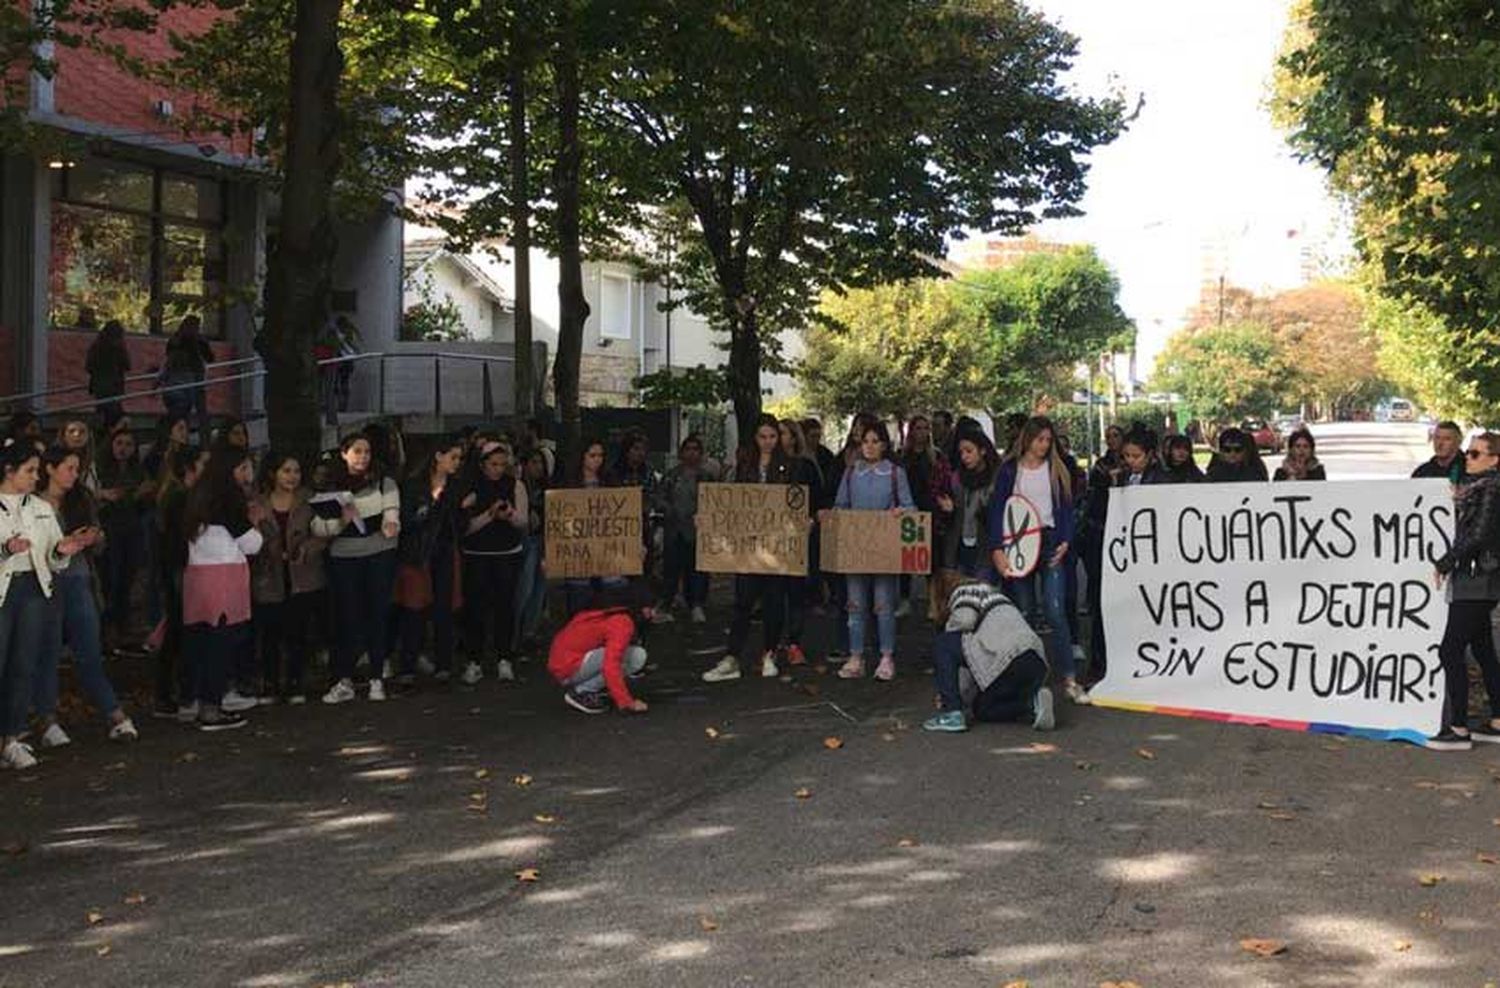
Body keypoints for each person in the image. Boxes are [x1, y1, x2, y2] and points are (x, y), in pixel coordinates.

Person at [32, 445, 135, 747]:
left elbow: (99, 544)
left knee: (89, 652)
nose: (74, 475)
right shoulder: (34, 504)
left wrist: (95, 538)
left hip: (78, 580)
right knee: (48, 654)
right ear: (50, 468)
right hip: (47, 584)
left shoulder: (80, 500)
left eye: (77, 469)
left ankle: (113, 713)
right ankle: (47, 719)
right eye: (69, 468)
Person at [0, 441, 90, 769]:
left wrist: (63, 549)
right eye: (30, 471)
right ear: (9, 471)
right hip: (4, 589)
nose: (36, 477)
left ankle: (11, 736)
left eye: (37, 470)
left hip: (33, 589)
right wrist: (7, 549)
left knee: (23, 664)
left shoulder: (40, 508)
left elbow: (52, 554)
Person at [989, 416, 1085, 702]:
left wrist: (1066, 539)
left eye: (1048, 440)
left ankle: (1069, 678)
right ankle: (1027, 679)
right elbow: (998, 510)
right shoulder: (1009, 470)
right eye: (1039, 439)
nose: (1044, 445)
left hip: (1051, 541)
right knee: (1025, 611)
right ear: (1028, 439)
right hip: (1019, 544)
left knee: (1055, 611)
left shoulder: (1056, 469)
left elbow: (1066, 508)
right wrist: (997, 548)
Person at [703, 415, 797, 683]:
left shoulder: (789, 467)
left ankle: (769, 653)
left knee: (774, 601)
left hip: (777, 546)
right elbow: (730, 503)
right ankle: (732, 656)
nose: (767, 442)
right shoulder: (745, 466)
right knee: (743, 601)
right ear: (755, 439)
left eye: (772, 437)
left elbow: (797, 502)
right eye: (762, 437)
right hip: (749, 545)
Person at [180, 446, 263, 731]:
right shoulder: (228, 498)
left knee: (202, 641)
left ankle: (195, 700)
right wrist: (257, 524)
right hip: (224, 578)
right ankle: (211, 707)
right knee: (221, 643)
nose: (247, 474)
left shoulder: (197, 497)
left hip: (198, 576)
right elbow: (252, 542)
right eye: (243, 468)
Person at [313, 433, 401, 704]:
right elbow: (319, 527)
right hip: (344, 557)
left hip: (378, 554)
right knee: (347, 616)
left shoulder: (384, 482)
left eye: (367, 451)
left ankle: (376, 676)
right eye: (357, 451)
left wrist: (390, 525)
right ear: (344, 453)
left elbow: (392, 513)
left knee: (377, 613)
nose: (363, 457)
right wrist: (341, 521)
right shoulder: (330, 487)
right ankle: (344, 678)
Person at [1428, 432, 1500, 751]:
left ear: (1494, 459)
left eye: (1475, 454)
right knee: (1483, 649)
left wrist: (1445, 562)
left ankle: (1458, 728)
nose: (1467, 458)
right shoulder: (1475, 489)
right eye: (1468, 453)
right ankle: (1497, 720)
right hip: (1476, 578)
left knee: (1450, 650)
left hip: (1478, 579)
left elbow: (1479, 535)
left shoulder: (1491, 489)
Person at [831, 420, 915, 681]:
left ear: (884, 445)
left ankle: (886, 657)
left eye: (875, 441)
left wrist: (901, 512)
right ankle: (856, 657)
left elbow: (911, 507)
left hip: (884, 550)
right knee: (855, 605)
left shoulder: (894, 473)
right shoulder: (850, 472)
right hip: (856, 548)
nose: (869, 446)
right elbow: (841, 505)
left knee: (883, 604)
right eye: (865, 441)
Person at [923, 580, 1054, 734]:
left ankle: (952, 714)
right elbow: (972, 654)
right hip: (1034, 658)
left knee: (944, 643)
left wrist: (950, 696)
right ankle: (1032, 704)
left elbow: (966, 620)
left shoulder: (965, 592)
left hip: (1009, 655)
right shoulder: (1000, 597)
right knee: (983, 709)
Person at [250, 452, 327, 704]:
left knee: (298, 631)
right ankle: (270, 681)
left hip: (302, 573)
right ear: (274, 473)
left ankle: (296, 681)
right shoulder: (259, 502)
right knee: (270, 632)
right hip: (269, 574)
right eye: (286, 471)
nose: (292, 476)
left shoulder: (310, 500)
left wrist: (306, 549)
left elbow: (323, 532)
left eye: (296, 471)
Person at [393, 438, 465, 685]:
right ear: (438, 456)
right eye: (453, 457)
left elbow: (459, 521)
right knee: (414, 609)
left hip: (445, 551)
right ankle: (408, 666)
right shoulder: (414, 486)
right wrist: (432, 503)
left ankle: (443, 664)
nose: (456, 463)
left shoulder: (456, 486)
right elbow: (409, 520)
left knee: (444, 609)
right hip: (419, 553)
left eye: (458, 458)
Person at [459, 440, 528, 685]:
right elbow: (464, 527)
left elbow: (523, 521)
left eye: (502, 464)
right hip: (476, 555)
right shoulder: (471, 487)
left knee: (505, 607)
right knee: (475, 609)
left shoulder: (515, 485)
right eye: (493, 464)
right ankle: (474, 659)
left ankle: (504, 658)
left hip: (507, 553)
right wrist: (489, 515)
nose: (498, 469)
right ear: (482, 464)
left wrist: (508, 514)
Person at [153, 445, 207, 720]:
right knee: (180, 628)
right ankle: (172, 691)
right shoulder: (179, 498)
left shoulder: (176, 496)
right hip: (180, 566)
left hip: (177, 566)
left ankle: (166, 691)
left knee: (177, 628)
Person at [548, 580, 652, 715]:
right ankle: (583, 691)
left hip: (563, 663)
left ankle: (592, 689)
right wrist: (626, 703)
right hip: (570, 666)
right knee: (636, 656)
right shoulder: (621, 622)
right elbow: (611, 663)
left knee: (623, 654)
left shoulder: (601, 612)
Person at [94, 424, 148, 649]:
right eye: (119, 443)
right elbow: (112, 499)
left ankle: (123, 628)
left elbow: (138, 500)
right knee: (110, 580)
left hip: (131, 531)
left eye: (128, 444)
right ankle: (106, 630)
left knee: (127, 578)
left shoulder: (138, 471)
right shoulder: (102, 470)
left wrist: (135, 496)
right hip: (110, 530)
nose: (123, 449)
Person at [776, 419, 822, 663]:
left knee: (795, 592)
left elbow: (819, 501)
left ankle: (794, 642)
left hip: (798, 539)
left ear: (794, 437)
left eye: (782, 434)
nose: (779, 438)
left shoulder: (805, 466)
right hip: (771, 540)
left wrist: (813, 519)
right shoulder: (768, 466)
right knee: (773, 593)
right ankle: (772, 644)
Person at [655, 435, 709, 623]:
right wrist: (668, 509)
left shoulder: (706, 477)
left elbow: (714, 502)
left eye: (696, 449)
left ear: (701, 453)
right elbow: (659, 498)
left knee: (697, 571)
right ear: (681, 452)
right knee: (671, 570)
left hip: (697, 532)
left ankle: (696, 604)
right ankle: (666, 604)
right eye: (688, 448)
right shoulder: (671, 475)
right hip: (674, 530)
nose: (692, 453)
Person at [936, 422, 1000, 580]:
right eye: (961, 452)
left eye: (969, 451)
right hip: (959, 549)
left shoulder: (996, 479)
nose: (964, 456)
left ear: (983, 450)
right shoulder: (956, 479)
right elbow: (947, 521)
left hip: (985, 551)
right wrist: (949, 511)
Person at [899, 414, 946, 620]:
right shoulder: (902, 457)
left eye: (926, 428)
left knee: (932, 560)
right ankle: (904, 600)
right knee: (904, 558)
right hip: (907, 510)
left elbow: (943, 483)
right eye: (918, 428)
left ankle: (933, 602)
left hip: (930, 511)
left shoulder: (936, 456)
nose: (922, 432)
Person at [562, 439, 610, 615]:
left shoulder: (609, 481)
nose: (598, 460)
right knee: (578, 596)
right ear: (582, 457)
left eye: (601, 455)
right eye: (593, 455)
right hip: (577, 550)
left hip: (605, 549)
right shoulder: (569, 483)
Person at [513, 448, 550, 653]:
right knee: (525, 588)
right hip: (527, 540)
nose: (538, 467)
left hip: (542, 539)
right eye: (534, 462)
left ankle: (529, 632)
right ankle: (517, 632)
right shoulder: (520, 487)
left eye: (541, 463)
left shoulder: (545, 488)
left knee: (539, 588)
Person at [160, 314, 214, 445]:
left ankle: (180, 440)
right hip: (193, 377)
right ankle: (200, 442)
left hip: (180, 379)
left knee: (183, 412)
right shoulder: (196, 340)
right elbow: (210, 357)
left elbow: (168, 359)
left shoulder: (176, 339)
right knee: (197, 412)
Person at [86, 320, 131, 424]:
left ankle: (103, 433)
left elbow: (89, 366)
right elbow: (127, 365)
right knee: (114, 415)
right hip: (114, 385)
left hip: (99, 385)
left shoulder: (96, 346)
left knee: (102, 412)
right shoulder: (118, 348)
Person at [1204, 427, 1268, 483]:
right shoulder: (1214, 474)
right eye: (1227, 450)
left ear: (1245, 451)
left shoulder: (1254, 473)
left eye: (1238, 449)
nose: (1232, 454)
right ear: (1221, 451)